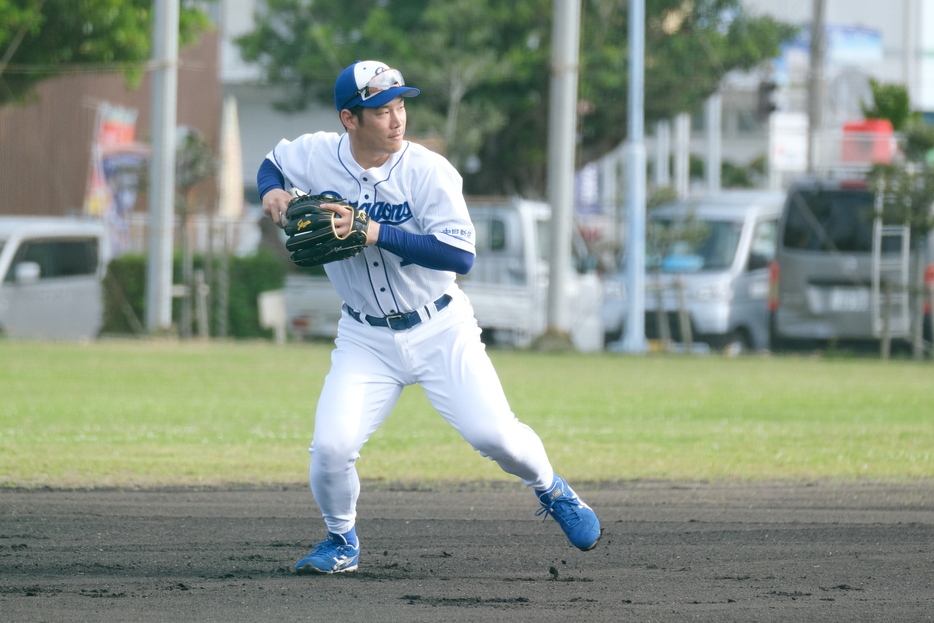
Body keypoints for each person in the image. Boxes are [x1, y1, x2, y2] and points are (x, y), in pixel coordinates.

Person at [258, 60, 601, 574]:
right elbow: (272, 161)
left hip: (441, 327)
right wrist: (272, 190)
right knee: (330, 447)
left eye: (400, 106)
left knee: (496, 437)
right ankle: (341, 541)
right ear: (349, 120)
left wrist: (375, 231)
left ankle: (553, 489)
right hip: (365, 337)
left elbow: (461, 256)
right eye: (381, 111)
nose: (397, 120)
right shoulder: (316, 155)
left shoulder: (429, 171)